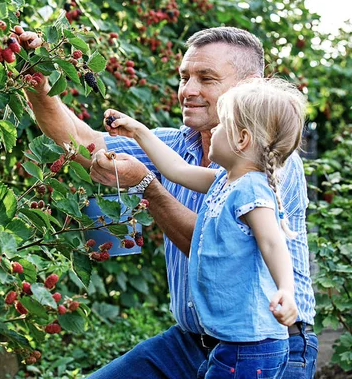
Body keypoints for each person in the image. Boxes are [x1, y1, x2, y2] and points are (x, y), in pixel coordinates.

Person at [24, 27, 317, 379]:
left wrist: (148, 188)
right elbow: (86, 145)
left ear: (250, 85)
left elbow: (218, 245)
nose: (188, 90)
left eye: (205, 78)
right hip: (193, 343)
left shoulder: (272, 166)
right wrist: (38, 84)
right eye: (184, 77)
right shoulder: (181, 147)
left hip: (265, 348)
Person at [104, 78, 304, 378]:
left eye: (221, 125)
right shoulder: (226, 180)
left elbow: (273, 243)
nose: (212, 130)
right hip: (232, 343)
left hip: (251, 346)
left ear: (242, 139)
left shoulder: (252, 190)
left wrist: (287, 291)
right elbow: (176, 169)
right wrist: (139, 132)